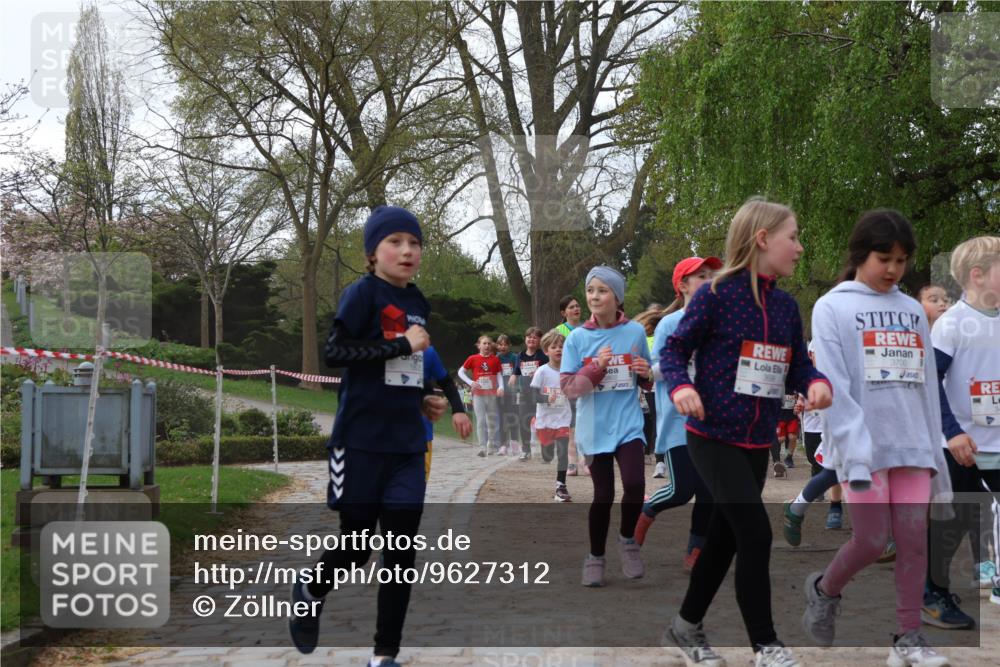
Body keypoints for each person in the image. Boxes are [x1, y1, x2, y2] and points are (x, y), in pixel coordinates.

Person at [663, 197, 831, 667]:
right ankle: (766, 645)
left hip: (758, 442)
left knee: (724, 540)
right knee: (755, 533)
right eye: (793, 237)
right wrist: (680, 387)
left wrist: (815, 383)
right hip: (712, 436)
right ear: (762, 239)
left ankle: (684, 628)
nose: (799, 247)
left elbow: (797, 365)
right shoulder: (716, 295)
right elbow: (673, 349)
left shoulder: (786, 306)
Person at [288, 205, 445, 667]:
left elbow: (405, 367)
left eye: (414, 243)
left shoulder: (418, 302)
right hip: (359, 442)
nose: (407, 250)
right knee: (356, 546)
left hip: (407, 446)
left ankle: (384, 655)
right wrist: (401, 343)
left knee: (400, 552)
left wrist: (426, 396)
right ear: (372, 253)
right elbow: (336, 352)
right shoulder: (361, 294)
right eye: (395, 242)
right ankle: (311, 589)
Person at [803, 209, 953, 667]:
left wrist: (937, 449)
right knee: (871, 541)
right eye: (884, 258)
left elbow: (927, 384)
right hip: (862, 448)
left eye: (901, 260)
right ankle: (824, 589)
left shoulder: (912, 310)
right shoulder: (831, 307)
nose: (893, 269)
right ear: (860, 254)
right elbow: (834, 383)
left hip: (914, 445)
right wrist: (853, 448)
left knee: (913, 541)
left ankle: (908, 637)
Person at [922, 236, 1000, 627]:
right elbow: (930, 381)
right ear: (978, 275)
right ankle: (932, 594)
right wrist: (951, 432)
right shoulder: (952, 325)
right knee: (951, 523)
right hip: (961, 446)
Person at [560, 266, 652, 587]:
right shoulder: (577, 338)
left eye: (602, 290)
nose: (594, 296)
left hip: (628, 423)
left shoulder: (635, 332)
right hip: (594, 427)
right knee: (604, 495)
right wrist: (596, 367)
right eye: (590, 290)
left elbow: (647, 380)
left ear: (617, 297)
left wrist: (646, 373)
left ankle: (628, 540)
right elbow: (569, 388)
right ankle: (595, 556)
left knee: (636, 485)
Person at [635, 256, 721, 575]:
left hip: (712, 422)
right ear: (683, 285)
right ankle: (646, 510)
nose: (710, 281)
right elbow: (656, 370)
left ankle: (695, 550)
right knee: (682, 490)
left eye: (713, 276)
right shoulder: (670, 324)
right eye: (702, 276)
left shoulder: (720, 321)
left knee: (709, 493)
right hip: (677, 422)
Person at [530, 329, 573, 501]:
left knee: (563, 452)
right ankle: (537, 429)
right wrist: (547, 398)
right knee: (547, 455)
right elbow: (532, 396)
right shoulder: (542, 371)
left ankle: (561, 486)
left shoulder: (569, 371)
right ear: (546, 351)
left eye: (561, 346)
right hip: (545, 419)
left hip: (563, 418)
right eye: (554, 347)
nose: (558, 349)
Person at [421, 345, 473, 479]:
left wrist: (458, 410)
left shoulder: (426, 351)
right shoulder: (373, 346)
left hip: (420, 435)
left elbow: (446, 382)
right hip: (376, 436)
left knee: (415, 485)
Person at [556, 295, 587, 476]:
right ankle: (571, 461)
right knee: (570, 421)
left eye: (577, 306)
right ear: (564, 312)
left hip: (585, 379)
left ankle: (585, 459)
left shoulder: (586, 329)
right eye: (571, 307)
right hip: (567, 380)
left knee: (585, 419)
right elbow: (555, 355)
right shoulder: (559, 331)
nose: (576, 309)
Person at [459, 335, 504, 457]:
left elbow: (499, 375)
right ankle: (482, 447)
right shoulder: (473, 358)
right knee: (480, 420)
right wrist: (470, 382)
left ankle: (491, 445)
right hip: (478, 395)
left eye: (489, 343)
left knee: (491, 420)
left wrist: (501, 387)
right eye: (484, 343)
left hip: (491, 394)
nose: (487, 346)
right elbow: (460, 372)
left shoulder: (495, 359)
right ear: (479, 345)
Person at [511, 327, 548, 461]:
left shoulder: (543, 356)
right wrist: (513, 376)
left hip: (539, 394)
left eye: (535, 337)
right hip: (524, 394)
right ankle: (526, 450)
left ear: (539, 340)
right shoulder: (520, 355)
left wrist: (538, 372)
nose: (531, 339)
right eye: (529, 337)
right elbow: (517, 371)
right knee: (523, 421)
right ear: (525, 339)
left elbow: (549, 370)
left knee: (542, 422)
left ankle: (546, 449)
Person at [633, 308, 664, 464]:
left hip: (657, 381)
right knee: (652, 417)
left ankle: (655, 454)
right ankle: (654, 455)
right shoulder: (639, 337)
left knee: (656, 418)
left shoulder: (662, 333)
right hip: (648, 384)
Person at [496, 334, 520, 456]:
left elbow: (519, 372)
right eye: (500, 345)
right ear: (497, 346)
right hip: (500, 394)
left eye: (505, 344)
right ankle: (503, 445)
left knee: (513, 418)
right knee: (502, 419)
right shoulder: (496, 358)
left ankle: (514, 443)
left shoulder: (514, 357)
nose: (503, 347)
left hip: (513, 393)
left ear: (509, 345)